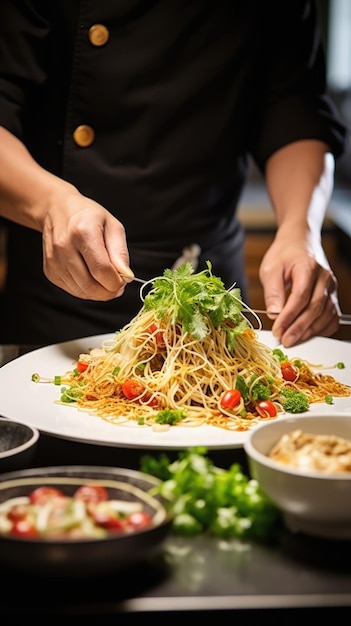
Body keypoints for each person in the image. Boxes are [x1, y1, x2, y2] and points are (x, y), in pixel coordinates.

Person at [0, 1, 348, 349]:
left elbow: (295, 103)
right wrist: (51, 203)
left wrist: (300, 230)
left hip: (211, 281)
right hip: (61, 295)